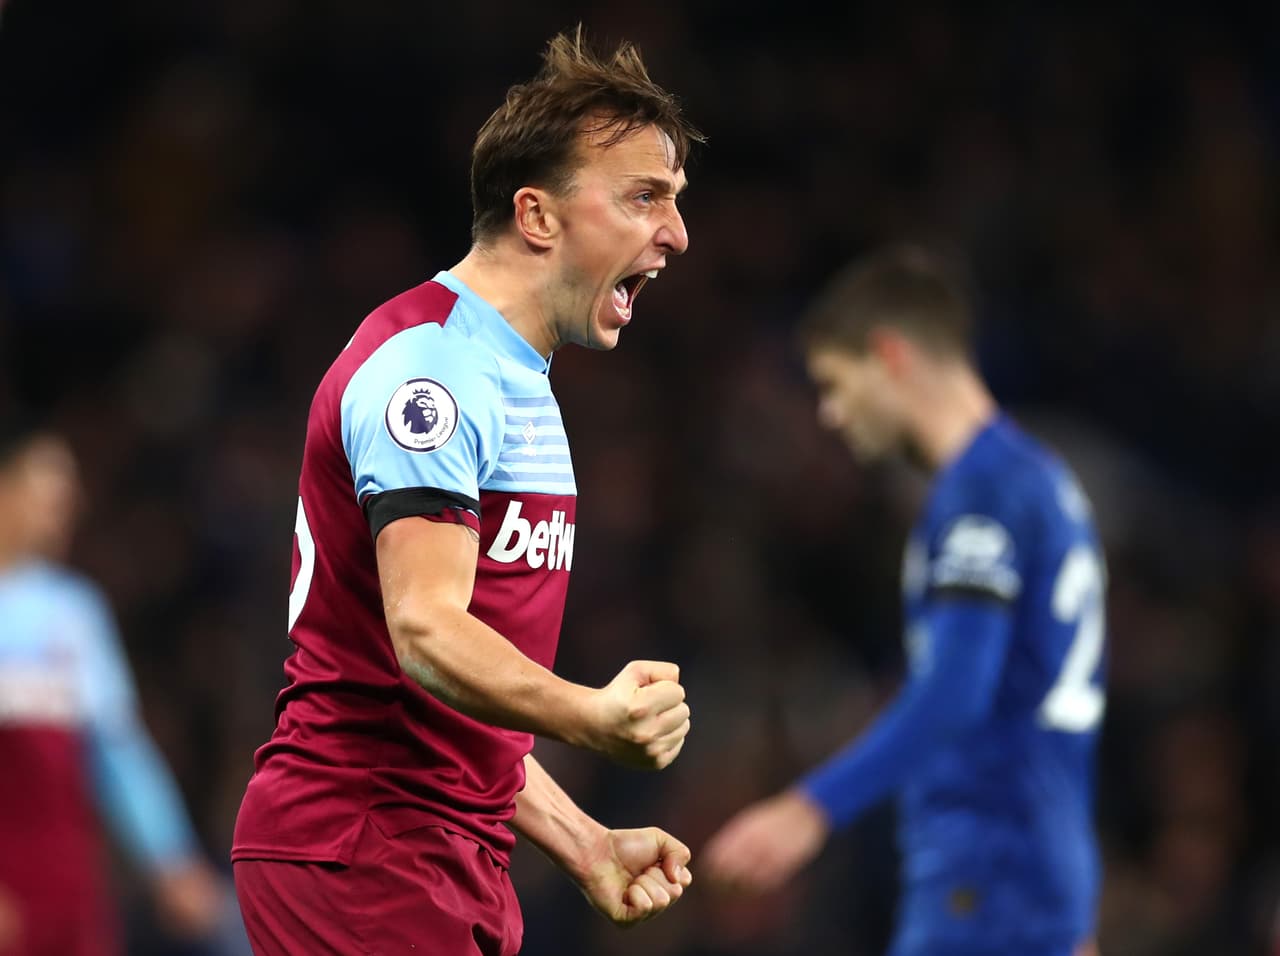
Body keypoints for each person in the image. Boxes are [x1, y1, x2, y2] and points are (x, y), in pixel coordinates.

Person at [231, 26, 703, 956]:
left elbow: (452, 695)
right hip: (359, 847)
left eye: (675, 201)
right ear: (536, 216)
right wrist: (591, 716)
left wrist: (586, 843)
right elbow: (426, 633)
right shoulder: (433, 376)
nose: (676, 234)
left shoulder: (515, 380)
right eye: (645, 197)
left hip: (444, 855)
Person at [702, 245, 1106, 956]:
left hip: (988, 866)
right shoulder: (1038, 480)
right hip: (1037, 860)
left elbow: (957, 689)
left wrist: (808, 809)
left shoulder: (979, 495)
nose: (830, 414)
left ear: (890, 356)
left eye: (833, 383)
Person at [0, 415, 236, 956]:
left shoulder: (73, 610)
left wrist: (169, 859)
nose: (67, 505)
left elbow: (117, 747)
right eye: (48, 490)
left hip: (68, 879)